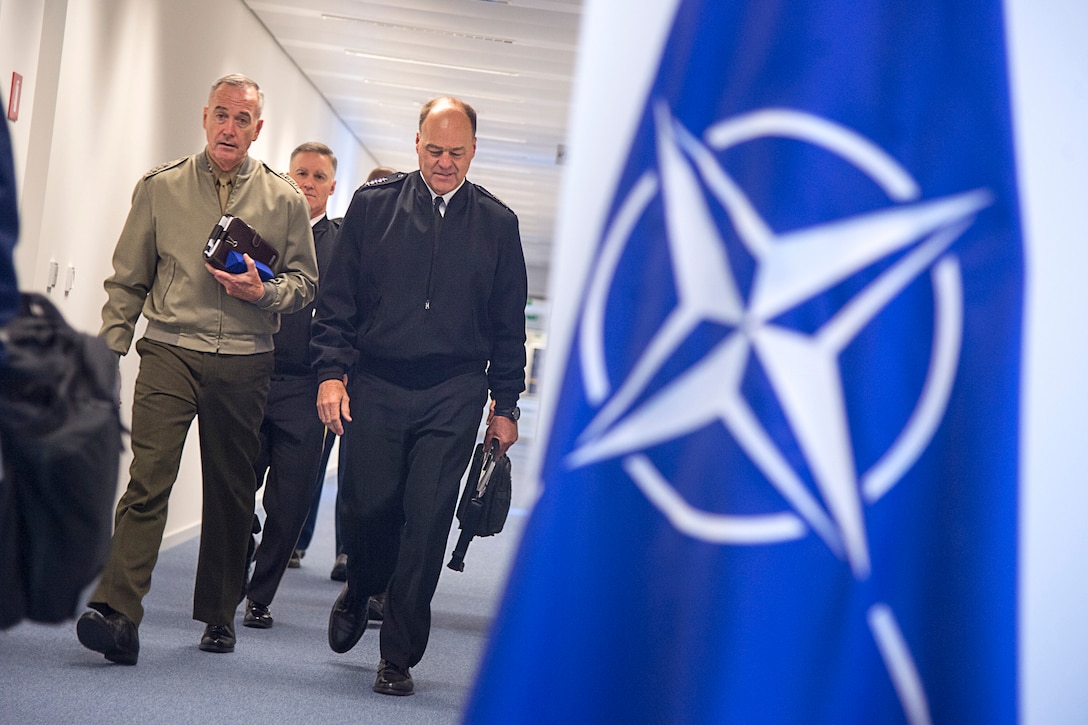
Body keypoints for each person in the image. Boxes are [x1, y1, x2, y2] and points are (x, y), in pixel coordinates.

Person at [75, 74, 318, 664]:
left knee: (232, 492)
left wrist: (263, 292)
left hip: (245, 359)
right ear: (204, 117)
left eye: (243, 120)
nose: (230, 128)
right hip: (170, 351)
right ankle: (117, 613)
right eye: (221, 115)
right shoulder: (160, 188)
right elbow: (127, 278)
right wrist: (110, 350)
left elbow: (305, 284)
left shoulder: (284, 201)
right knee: (147, 480)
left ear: (258, 129)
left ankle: (219, 613)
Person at [311, 96, 527, 696]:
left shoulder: (497, 224)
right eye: (435, 150)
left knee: (428, 520)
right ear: (416, 144)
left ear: (474, 151)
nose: (445, 163)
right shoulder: (372, 207)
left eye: (457, 153)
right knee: (366, 506)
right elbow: (338, 304)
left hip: (454, 390)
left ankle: (398, 654)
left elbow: (509, 327)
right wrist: (331, 372)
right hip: (377, 382)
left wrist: (504, 407)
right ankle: (361, 588)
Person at [242, 142, 341, 630]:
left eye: (319, 176)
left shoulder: (344, 242)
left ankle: (260, 596)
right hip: (250, 373)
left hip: (306, 388)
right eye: (300, 172)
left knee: (290, 502)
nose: (308, 183)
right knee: (235, 487)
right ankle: (239, 548)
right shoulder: (262, 230)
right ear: (286, 175)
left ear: (332, 187)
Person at [295, 164, 397, 589]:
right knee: (314, 462)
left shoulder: (399, 248)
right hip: (332, 371)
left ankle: (347, 550)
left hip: (368, 379)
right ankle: (297, 542)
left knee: (355, 472)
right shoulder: (341, 237)